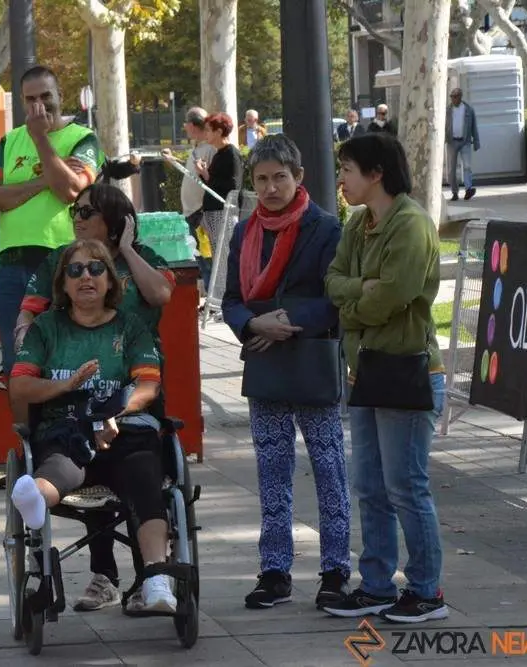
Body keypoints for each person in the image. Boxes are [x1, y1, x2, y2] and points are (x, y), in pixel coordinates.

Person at [15, 182, 174, 612]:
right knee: (75, 446)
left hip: (130, 387)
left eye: (88, 211)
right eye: (75, 211)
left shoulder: (138, 278)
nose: (78, 218)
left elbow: (161, 295)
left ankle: (152, 578)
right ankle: (104, 574)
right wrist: (31, 346)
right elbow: (29, 315)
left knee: (137, 458)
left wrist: (126, 248)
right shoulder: (60, 264)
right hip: (72, 407)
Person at [220, 134, 351, 610]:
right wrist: (253, 323)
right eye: (261, 179)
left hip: (312, 361)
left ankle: (335, 570)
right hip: (266, 365)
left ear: (299, 178)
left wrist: (287, 322)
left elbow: (336, 299)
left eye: (280, 177)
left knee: (329, 467)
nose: (271, 187)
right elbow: (231, 301)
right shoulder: (243, 232)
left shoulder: (326, 228)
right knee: (271, 472)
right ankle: (275, 572)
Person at [323, 133, 449, 624]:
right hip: (364, 370)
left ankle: (426, 591)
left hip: (406, 370)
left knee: (406, 486)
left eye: (348, 169)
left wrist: (355, 306)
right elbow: (334, 282)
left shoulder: (411, 224)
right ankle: (375, 585)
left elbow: (392, 295)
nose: (342, 180)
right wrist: (359, 295)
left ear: (376, 173)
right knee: (370, 486)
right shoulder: (358, 224)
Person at [0, 64, 103, 397]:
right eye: (30, 98)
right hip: (11, 265)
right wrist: (44, 179)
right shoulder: (10, 141)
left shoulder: (83, 138)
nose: (39, 105)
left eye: (46, 96)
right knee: (17, 363)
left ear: (60, 95)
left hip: (63, 265)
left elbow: (70, 191)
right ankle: (27, 443)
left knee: (61, 358)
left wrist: (41, 140)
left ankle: (64, 437)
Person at [163, 107, 216, 292]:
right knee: (200, 259)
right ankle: (209, 295)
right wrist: (173, 161)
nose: (184, 128)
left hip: (200, 213)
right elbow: (193, 174)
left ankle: (212, 296)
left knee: (207, 260)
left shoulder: (210, 149)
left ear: (193, 126)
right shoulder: (198, 148)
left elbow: (209, 179)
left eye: (186, 124)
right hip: (191, 212)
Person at [195, 112, 243, 300]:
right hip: (213, 214)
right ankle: (220, 298)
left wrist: (206, 175)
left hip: (224, 214)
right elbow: (213, 183)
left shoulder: (231, 154)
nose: (205, 133)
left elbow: (233, 186)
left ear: (219, 131)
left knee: (225, 259)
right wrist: (204, 174)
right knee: (217, 257)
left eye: (209, 130)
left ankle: (226, 298)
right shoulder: (219, 154)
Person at [445, 88, 481, 202]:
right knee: (452, 169)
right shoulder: (447, 110)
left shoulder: (468, 110)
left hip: (465, 141)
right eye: (452, 96)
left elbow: (474, 127)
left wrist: (476, 141)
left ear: (460, 97)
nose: (453, 99)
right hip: (452, 141)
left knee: (467, 166)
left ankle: (468, 189)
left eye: (455, 96)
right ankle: (454, 192)